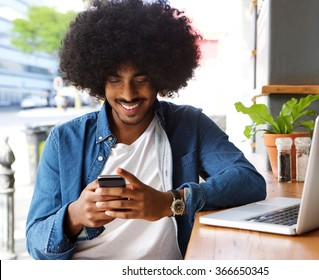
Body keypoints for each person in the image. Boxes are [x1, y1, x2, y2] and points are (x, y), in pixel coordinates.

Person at [26, 0, 267, 260]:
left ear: (160, 76)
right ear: (98, 80)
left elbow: (249, 182)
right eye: (115, 79)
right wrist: (74, 216)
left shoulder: (188, 124)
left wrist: (171, 202)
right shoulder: (65, 141)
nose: (128, 93)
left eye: (140, 79)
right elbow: (36, 244)